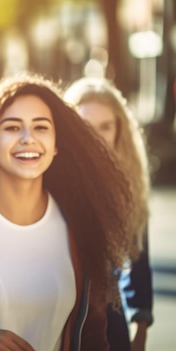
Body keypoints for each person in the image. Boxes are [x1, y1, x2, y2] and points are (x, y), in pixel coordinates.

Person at [0, 73, 135, 350]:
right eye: (12, 128)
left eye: (41, 127)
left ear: (56, 145)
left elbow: (93, 336)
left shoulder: (82, 230)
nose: (28, 138)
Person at [64, 77, 153, 351]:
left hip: (110, 323)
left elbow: (137, 259)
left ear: (119, 131)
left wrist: (140, 326)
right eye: (86, 126)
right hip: (58, 318)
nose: (97, 137)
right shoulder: (49, 181)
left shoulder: (128, 185)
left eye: (106, 127)